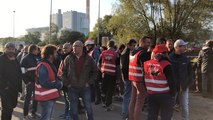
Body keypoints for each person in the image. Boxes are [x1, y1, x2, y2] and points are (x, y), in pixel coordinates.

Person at [62, 41, 97, 120]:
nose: (74, 48)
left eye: (76, 46)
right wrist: (68, 84)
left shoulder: (88, 58)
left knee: (88, 108)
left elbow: (95, 71)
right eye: (73, 46)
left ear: (81, 47)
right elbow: (63, 72)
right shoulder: (68, 58)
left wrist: (89, 82)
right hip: (72, 88)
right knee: (73, 110)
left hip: (85, 87)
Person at [144, 44, 176, 120]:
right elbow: (172, 82)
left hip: (151, 94)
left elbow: (144, 78)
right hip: (164, 95)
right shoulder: (167, 65)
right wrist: (173, 95)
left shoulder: (146, 64)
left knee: (151, 116)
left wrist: (147, 90)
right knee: (166, 116)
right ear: (165, 54)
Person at [35, 45, 63, 120]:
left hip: (49, 95)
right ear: (50, 55)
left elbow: (50, 78)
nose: (57, 54)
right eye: (55, 53)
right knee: (46, 118)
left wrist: (58, 79)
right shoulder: (43, 65)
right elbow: (44, 82)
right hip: (46, 97)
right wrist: (59, 84)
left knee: (47, 117)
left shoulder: (48, 64)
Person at [169, 39, 193, 120]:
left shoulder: (185, 58)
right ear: (177, 47)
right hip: (172, 87)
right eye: (183, 46)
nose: (185, 48)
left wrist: (189, 82)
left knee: (185, 106)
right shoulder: (169, 58)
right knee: (170, 106)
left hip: (184, 86)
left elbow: (190, 72)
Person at [128, 36, 151, 120]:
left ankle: (131, 118)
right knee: (139, 103)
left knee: (133, 100)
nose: (149, 44)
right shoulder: (142, 53)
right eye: (147, 42)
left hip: (133, 79)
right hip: (139, 81)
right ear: (142, 42)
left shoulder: (132, 52)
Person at [0, 42, 22, 120]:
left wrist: (20, 87)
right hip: (5, 89)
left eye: (12, 49)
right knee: (7, 109)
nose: (11, 51)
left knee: (12, 106)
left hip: (14, 89)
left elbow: (19, 72)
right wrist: (5, 86)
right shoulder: (1, 59)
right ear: (5, 49)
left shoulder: (15, 59)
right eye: (9, 49)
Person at [98, 40, 120, 111]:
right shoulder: (116, 54)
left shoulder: (103, 53)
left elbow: (98, 64)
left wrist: (102, 70)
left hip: (104, 74)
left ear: (107, 45)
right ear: (113, 46)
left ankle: (104, 102)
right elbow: (118, 67)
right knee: (110, 90)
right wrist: (118, 77)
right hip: (112, 75)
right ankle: (108, 105)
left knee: (104, 89)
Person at [21, 44, 39, 119]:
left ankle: (33, 113)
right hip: (30, 82)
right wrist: (26, 82)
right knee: (28, 98)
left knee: (36, 98)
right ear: (33, 50)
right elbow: (22, 72)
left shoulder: (36, 57)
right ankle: (25, 115)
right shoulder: (25, 58)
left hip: (36, 81)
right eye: (37, 49)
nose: (38, 51)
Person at [120, 39, 136, 120]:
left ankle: (126, 113)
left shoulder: (124, 52)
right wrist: (126, 76)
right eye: (133, 45)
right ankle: (126, 113)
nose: (134, 47)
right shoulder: (127, 53)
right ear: (128, 45)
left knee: (128, 95)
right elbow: (124, 67)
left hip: (127, 77)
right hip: (129, 77)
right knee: (128, 96)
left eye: (134, 45)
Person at [58, 43, 72, 119]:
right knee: (66, 100)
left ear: (70, 48)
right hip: (63, 81)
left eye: (66, 48)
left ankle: (69, 114)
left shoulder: (70, 57)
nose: (64, 49)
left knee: (70, 100)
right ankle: (66, 113)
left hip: (68, 82)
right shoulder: (64, 56)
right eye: (63, 48)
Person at [85, 39, 101, 104]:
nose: (87, 47)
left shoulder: (95, 50)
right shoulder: (90, 51)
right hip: (90, 71)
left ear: (90, 45)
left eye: (87, 46)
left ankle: (98, 99)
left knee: (96, 86)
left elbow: (97, 61)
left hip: (95, 71)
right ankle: (93, 98)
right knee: (91, 85)